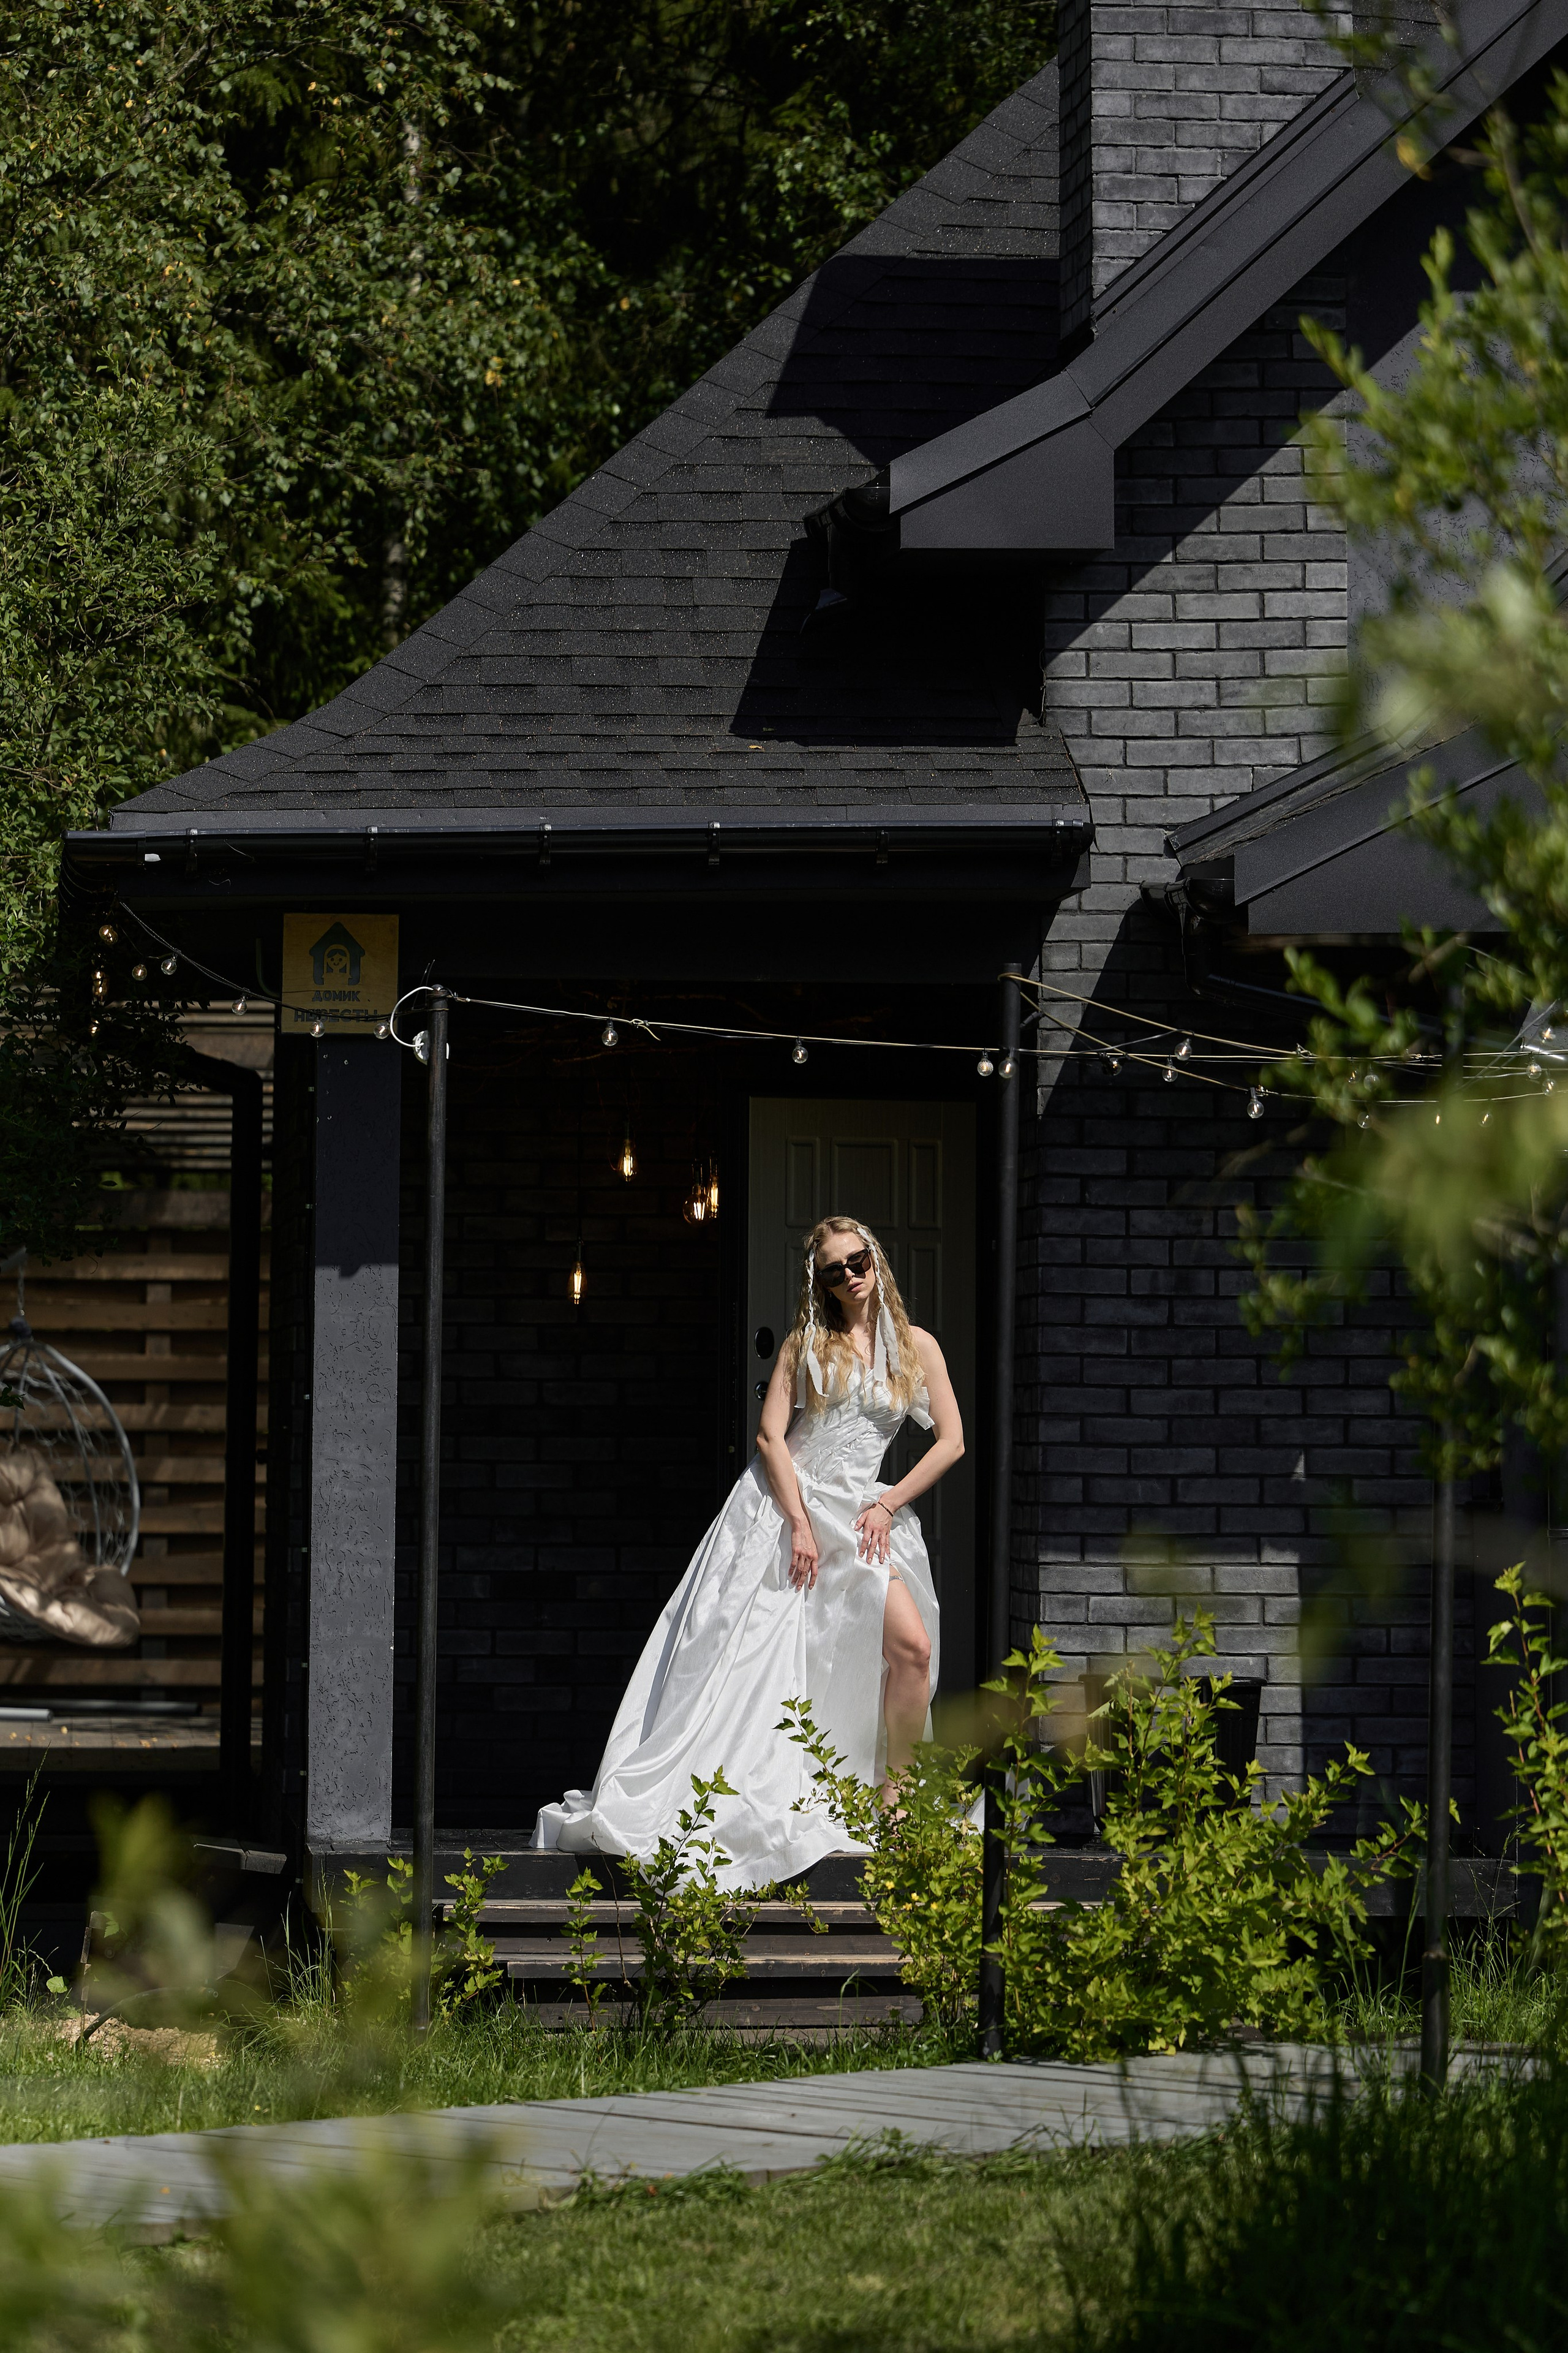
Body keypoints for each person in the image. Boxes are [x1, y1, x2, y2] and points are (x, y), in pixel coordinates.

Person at [532, 1214, 965, 1887]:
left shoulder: (917, 1348)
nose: (849, 1275)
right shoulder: (806, 1343)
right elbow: (770, 1438)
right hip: (788, 1503)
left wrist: (886, 1502)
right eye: (833, 1269)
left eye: (857, 1261)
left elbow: (951, 1442)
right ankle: (756, 1793)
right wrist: (797, 1522)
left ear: (874, 1259)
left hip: (862, 1513)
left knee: (910, 1647)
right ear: (819, 1281)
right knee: (766, 1660)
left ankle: (896, 1808)